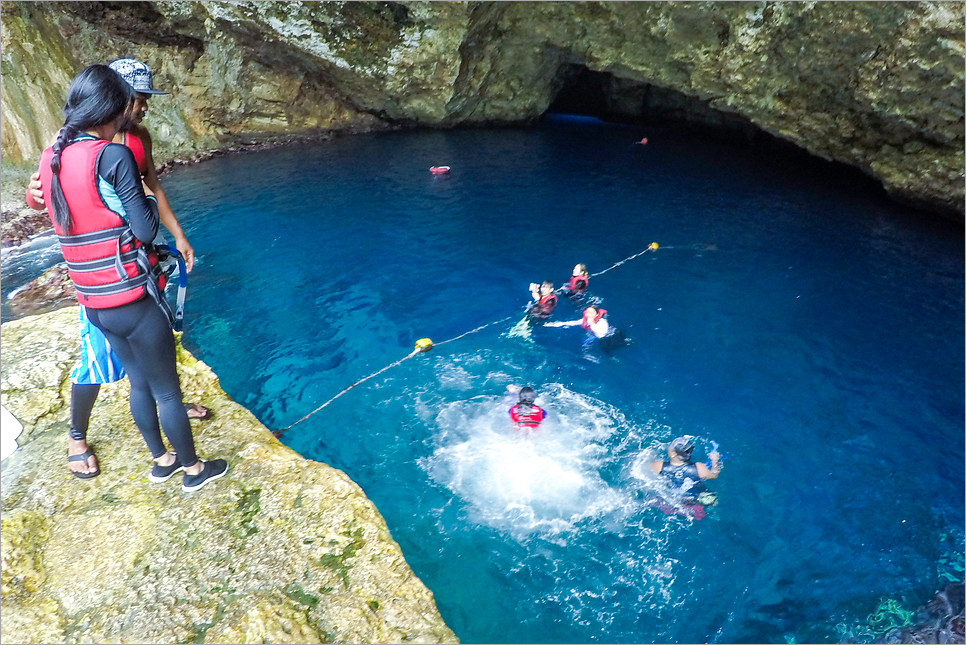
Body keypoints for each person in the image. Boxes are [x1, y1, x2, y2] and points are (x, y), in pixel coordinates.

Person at [34, 64, 226, 491]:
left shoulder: (52, 157)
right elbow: (144, 230)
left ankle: (161, 462)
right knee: (168, 392)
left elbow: (45, 203)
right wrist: (138, 198)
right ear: (114, 105)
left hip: (93, 300)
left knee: (138, 383)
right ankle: (194, 471)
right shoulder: (112, 155)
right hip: (132, 296)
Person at [650, 436, 721, 506]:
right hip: (693, 501)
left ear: (673, 454)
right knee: (713, 500)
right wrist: (714, 460)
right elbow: (714, 475)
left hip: (671, 501)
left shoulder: (658, 466)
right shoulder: (698, 467)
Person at [544, 305, 627, 354]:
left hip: (611, 336)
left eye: (591, 313)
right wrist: (554, 324)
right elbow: (571, 323)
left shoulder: (602, 322)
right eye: (587, 312)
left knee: (607, 348)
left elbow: (600, 335)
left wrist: (592, 324)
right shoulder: (584, 320)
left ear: (596, 314)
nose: (588, 315)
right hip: (596, 336)